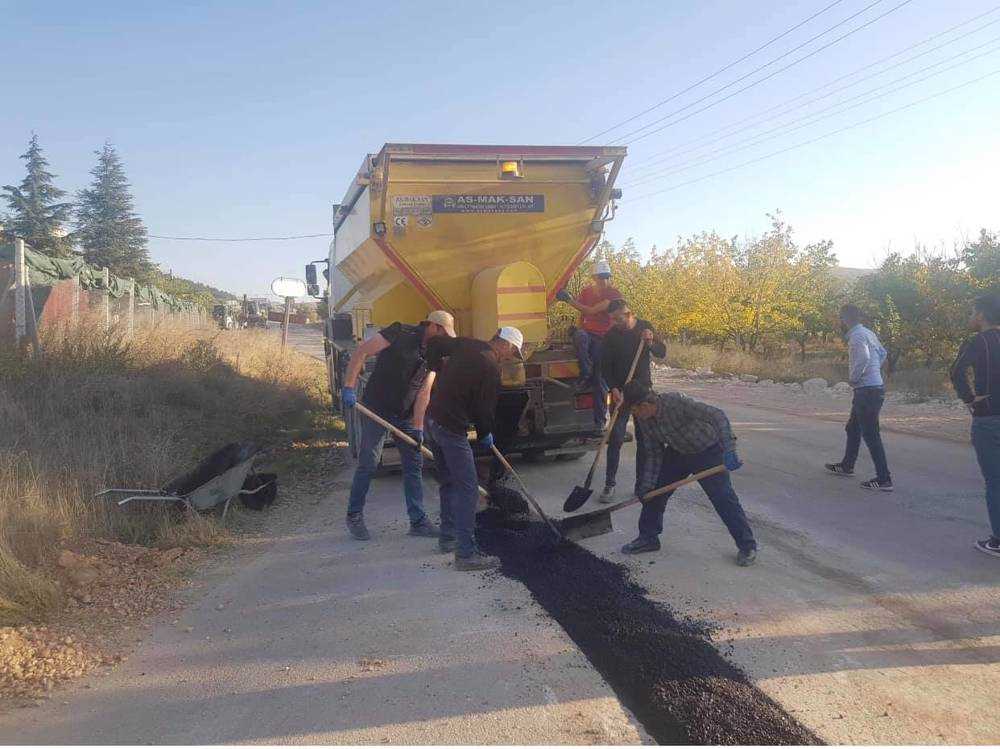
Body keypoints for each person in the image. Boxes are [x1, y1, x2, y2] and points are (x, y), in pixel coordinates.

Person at [340, 310, 456, 541]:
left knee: (414, 464)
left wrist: (418, 427)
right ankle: (354, 516)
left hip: (404, 415)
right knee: (369, 462)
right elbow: (362, 351)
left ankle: (418, 522)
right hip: (375, 407)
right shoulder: (399, 332)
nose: (444, 339)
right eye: (443, 333)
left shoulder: (434, 353)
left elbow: (424, 392)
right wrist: (349, 386)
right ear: (433, 326)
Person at [621, 381, 757, 565]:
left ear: (644, 405)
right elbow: (653, 454)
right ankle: (648, 538)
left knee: (723, 498)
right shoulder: (644, 420)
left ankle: (747, 546)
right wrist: (646, 485)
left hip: (707, 451)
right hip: (678, 452)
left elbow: (717, 416)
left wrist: (729, 449)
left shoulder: (676, 403)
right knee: (655, 492)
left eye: (634, 411)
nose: (634, 415)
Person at [426, 327, 524, 571]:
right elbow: (483, 410)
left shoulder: (468, 344)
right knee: (469, 490)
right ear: (504, 344)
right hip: (450, 427)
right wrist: (486, 434)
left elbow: (435, 343)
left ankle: (447, 538)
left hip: (433, 420)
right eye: (512, 352)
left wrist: (437, 368)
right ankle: (466, 554)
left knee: (448, 482)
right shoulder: (491, 368)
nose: (510, 357)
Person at [599, 299, 667, 503]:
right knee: (615, 437)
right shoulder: (610, 336)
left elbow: (661, 353)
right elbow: (605, 366)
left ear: (629, 314)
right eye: (613, 320)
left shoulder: (645, 327)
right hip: (620, 392)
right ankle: (609, 484)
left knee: (645, 440)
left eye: (619, 319)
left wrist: (651, 341)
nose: (615, 323)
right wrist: (613, 388)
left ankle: (641, 485)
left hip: (642, 392)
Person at [949, 291, 1000, 559]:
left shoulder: (978, 341)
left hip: (988, 418)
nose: (970, 317)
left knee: (995, 480)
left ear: (981, 315)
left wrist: (969, 399)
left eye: (971, 312)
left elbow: (956, 371)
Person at [825, 305, 893, 491]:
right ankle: (847, 465)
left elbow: (863, 357)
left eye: (840, 319)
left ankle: (884, 478)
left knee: (871, 434)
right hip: (873, 387)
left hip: (866, 390)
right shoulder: (868, 333)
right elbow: (882, 353)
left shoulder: (856, 337)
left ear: (844, 319)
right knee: (852, 428)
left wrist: (855, 377)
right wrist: (874, 371)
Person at [555, 259, 623, 428]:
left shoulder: (613, 295)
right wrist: (579, 329)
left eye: (606, 277)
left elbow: (590, 310)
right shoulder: (587, 292)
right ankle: (585, 371)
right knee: (580, 337)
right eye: (601, 277)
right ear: (594, 278)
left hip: (605, 338)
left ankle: (599, 423)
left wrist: (569, 299)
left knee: (600, 381)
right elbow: (582, 315)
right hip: (588, 334)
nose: (604, 280)